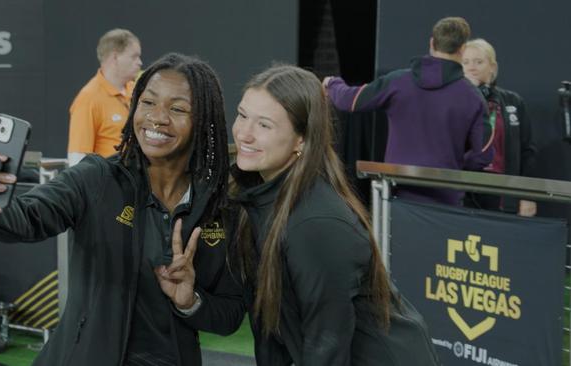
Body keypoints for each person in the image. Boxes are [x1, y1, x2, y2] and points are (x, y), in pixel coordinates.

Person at [0, 53, 244, 366]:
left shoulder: (219, 207)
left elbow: (228, 315)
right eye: (148, 102)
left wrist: (191, 302)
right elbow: (30, 217)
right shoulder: (98, 178)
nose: (157, 117)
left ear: (203, 122)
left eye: (177, 108)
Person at [229, 65, 440, 365]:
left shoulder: (316, 223)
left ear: (301, 140)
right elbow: (269, 323)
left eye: (264, 125)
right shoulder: (258, 196)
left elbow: (326, 342)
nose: (244, 133)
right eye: (242, 115)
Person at [323, 16, 493, 205]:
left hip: (396, 197)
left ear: (431, 43)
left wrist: (332, 83)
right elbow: (482, 155)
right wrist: (453, 167)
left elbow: (349, 101)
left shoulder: (397, 82)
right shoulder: (473, 97)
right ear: (462, 49)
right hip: (446, 202)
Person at [462, 38, 537, 216]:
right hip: (463, 189)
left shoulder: (513, 101)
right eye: (465, 62)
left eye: (478, 62)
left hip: (503, 191)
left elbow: (528, 152)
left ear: (492, 67)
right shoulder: (454, 101)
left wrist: (528, 195)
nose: (471, 67)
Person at [67, 29, 143, 166]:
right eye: (134, 56)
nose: (140, 62)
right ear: (115, 58)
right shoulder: (88, 98)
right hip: (110, 183)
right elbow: (77, 158)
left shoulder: (136, 90)